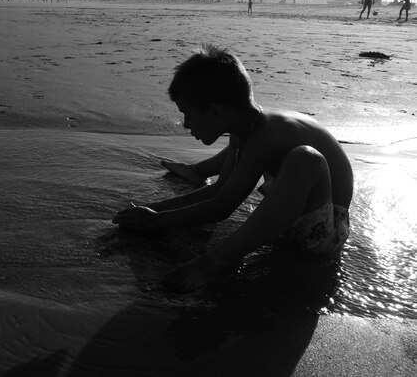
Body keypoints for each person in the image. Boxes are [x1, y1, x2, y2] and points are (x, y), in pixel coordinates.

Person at [113, 45, 354, 293]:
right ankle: (198, 173)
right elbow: (219, 192)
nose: (185, 124)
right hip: (293, 219)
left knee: (305, 158)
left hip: (325, 231)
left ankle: (216, 260)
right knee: (252, 152)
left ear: (217, 112)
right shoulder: (245, 128)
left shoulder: (266, 134)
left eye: (189, 115)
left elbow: (222, 207)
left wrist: (158, 221)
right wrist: (153, 212)